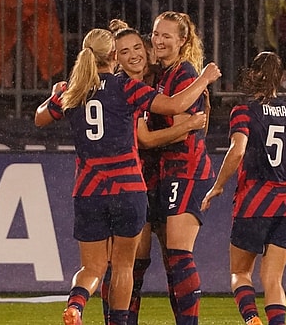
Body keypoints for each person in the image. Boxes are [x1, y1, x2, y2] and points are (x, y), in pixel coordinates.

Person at [35, 28, 221, 325]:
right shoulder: (125, 87)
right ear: (113, 56)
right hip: (127, 189)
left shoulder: (74, 91)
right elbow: (174, 105)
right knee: (124, 266)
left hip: (89, 190)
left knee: (93, 268)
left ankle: (77, 304)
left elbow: (40, 117)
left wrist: (56, 93)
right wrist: (205, 78)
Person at [201, 51, 286, 325]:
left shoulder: (244, 110)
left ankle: (251, 319)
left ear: (253, 75)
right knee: (273, 279)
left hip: (254, 201)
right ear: (280, 78)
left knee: (240, 273)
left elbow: (237, 152)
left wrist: (218, 185)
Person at [103, 22, 209, 324]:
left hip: (171, 173)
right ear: (116, 59)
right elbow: (147, 138)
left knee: (173, 257)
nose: (135, 54)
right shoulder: (122, 86)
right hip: (134, 177)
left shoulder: (169, 75)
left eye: (138, 46)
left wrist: (195, 116)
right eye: (125, 51)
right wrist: (190, 122)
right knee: (131, 261)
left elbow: (188, 112)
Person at [145, 10, 214, 325]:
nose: (158, 40)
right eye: (156, 34)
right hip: (165, 171)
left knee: (179, 255)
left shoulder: (185, 74)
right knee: (171, 260)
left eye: (166, 35)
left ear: (183, 40)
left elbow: (187, 126)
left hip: (187, 169)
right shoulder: (161, 74)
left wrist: (147, 139)